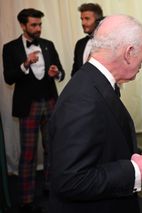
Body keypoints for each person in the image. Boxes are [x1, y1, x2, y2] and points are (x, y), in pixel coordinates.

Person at [48, 14, 142, 213]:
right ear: (128, 52)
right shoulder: (83, 99)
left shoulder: (94, 82)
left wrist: (135, 171)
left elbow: (101, 150)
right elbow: (70, 180)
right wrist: (135, 171)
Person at [2, 8, 65, 213]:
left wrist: (56, 73)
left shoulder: (48, 45)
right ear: (23, 25)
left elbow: (61, 71)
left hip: (50, 103)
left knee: (52, 148)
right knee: (28, 154)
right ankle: (27, 199)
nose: (38, 28)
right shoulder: (10, 48)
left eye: (40, 25)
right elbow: (9, 78)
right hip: (28, 106)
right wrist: (24, 64)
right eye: (34, 25)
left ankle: (50, 186)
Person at [71, 3, 104, 77]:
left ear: (98, 20)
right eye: (82, 19)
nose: (83, 23)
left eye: (87, 18)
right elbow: (75, 72)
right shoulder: (80, 44)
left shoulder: (108, 42)